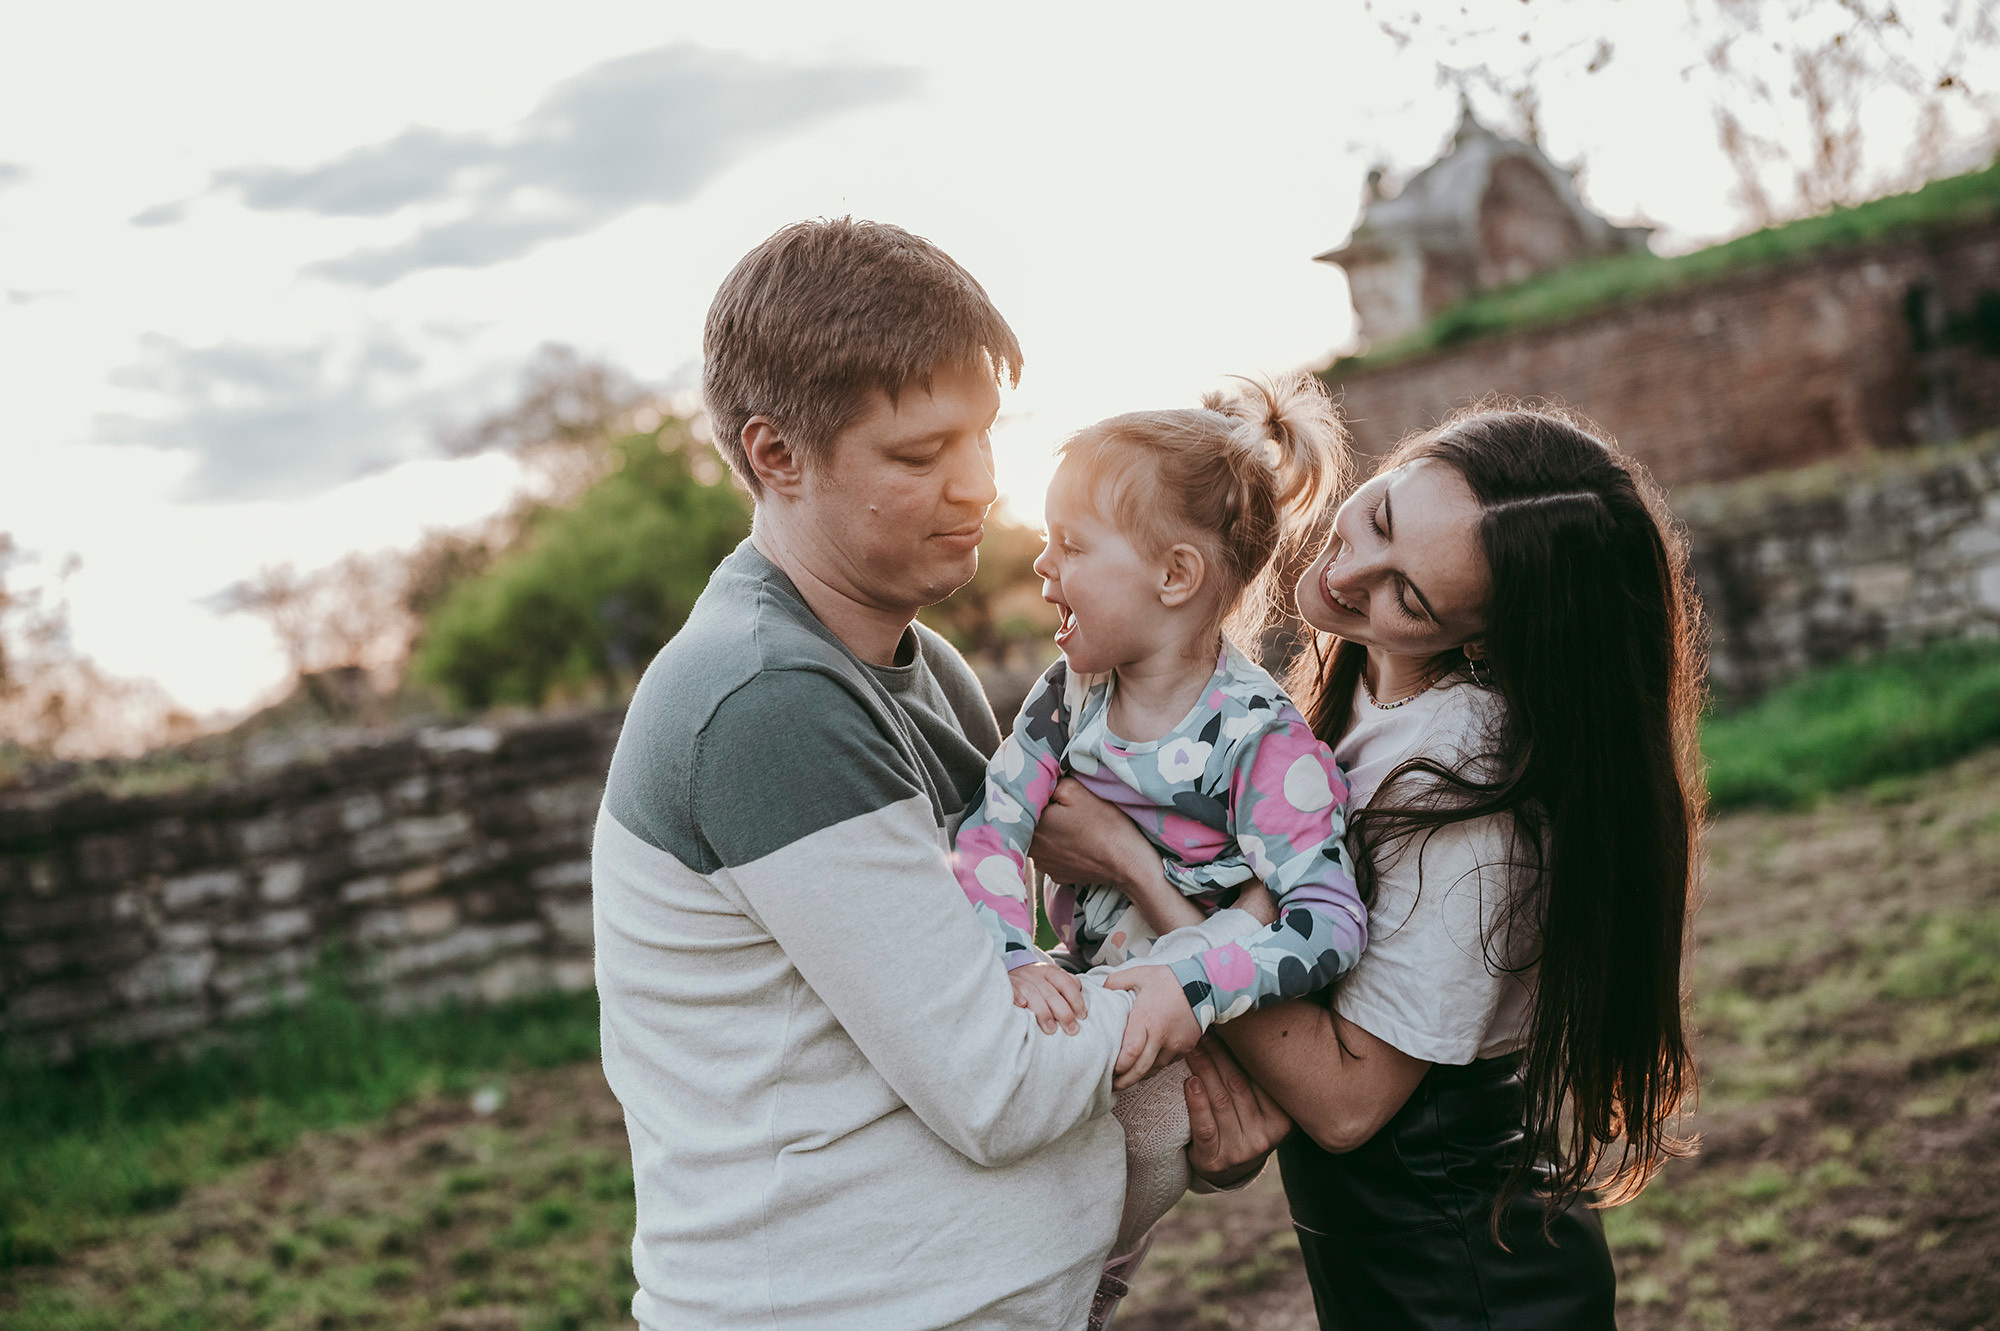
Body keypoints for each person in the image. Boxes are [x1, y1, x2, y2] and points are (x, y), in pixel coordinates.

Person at [590, 217, 1271, 1331]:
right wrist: (1187, 995)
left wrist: (1161, 1123)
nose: (976, 487)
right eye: (918, 455)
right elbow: (996, 1082)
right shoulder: (766, 705)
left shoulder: (918, 663)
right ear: (775, 454)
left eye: (983, 437)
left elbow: (1012, 982)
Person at [1031, 403, 1702, 1329]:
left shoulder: (1460, 786)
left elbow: (1347, 1102)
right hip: (1391, 1265)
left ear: (1482, 641)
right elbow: (1288, 969)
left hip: (1464, 1287)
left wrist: (1133, 867)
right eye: (1380, 515)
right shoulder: (1362, 695)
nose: (1347, 573)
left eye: (1408, 596)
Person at [946, 377, 1366, 1280]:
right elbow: (990, 829)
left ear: (1174, 576)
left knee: (1110, 1180)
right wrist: (1015, 954)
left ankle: (1077, 1291)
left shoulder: (1258, 739)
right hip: (1093, 991)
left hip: (1198, 1033)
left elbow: (1328, 921)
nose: (1042, 568)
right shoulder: (1069, 696)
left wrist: (1194, 986)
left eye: (1072, 546)